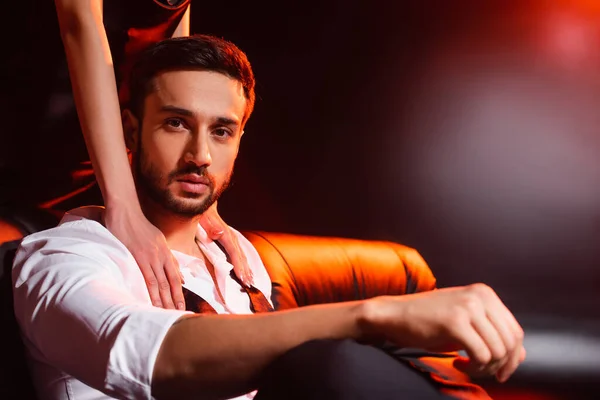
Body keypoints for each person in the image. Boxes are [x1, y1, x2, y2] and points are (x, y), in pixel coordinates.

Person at [13, 35, 525, 400]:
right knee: (334, 362)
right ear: (130, 131)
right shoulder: (68, 255)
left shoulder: (235, 258)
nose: (200, 155)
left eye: (221, 131)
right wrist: (374, 314)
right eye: (175, 123)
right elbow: (154, 357)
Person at [1, 0, 252, 312]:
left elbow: (172, 56)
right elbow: (80, 28)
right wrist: (124, 207)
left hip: (108, 169)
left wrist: (202, 201)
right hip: (24, 159)